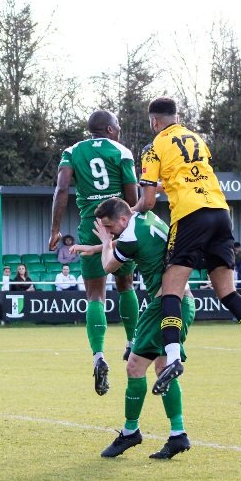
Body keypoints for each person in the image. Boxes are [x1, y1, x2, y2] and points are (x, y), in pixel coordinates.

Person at [137, 96, 241, 392]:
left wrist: (131, 209)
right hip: (220, 212)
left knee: (170, 288)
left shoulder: (153, 147)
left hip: (190, 215)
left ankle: (172, 357)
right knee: (227, 291)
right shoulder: (196, 138)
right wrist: (162, 185)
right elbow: (183, 176)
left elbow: (146, 203)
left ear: (154, 122)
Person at [73, 197, 195, 459]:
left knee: (135, 366)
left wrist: (104, 245)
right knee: (163, 367)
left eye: (110, 227)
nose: (109, 231)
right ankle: (178, 434)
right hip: (183, 301)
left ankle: (130, 432)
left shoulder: (128, 237)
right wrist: (99, 247)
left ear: (122, 220)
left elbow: (109, 265)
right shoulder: (144, 219)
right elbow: (132, 239)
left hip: (164, 304)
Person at [49, 109, 140, 396]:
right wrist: (128, 226)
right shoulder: (122, 151)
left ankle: (99, 356)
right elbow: (132, 196)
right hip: (121, 223)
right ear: (110, 130)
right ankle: (131, 343)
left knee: (94, 294)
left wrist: (55, 229)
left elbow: (62, 189)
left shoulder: (72, 151)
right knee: (125, 284)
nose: (120, 129)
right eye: (118, 125)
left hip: (92, 224)